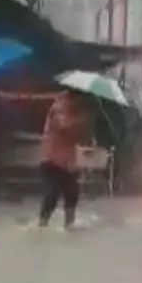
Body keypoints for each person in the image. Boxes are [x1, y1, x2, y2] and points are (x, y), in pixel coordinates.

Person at [39, 90, 92, 228]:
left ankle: (69, 225)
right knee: (52, 194)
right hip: (52, 159)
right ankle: (42, 224)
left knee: (72, 193)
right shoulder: (59, 106)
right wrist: (82, 120)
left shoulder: (78, 110)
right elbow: (64, 126)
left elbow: (79, 136)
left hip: (69, 161)